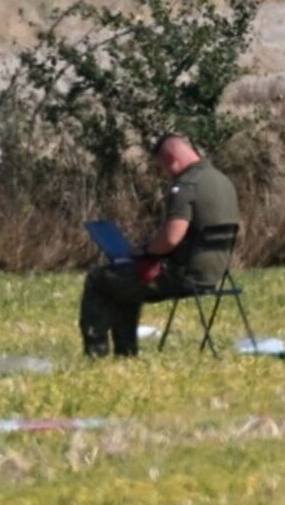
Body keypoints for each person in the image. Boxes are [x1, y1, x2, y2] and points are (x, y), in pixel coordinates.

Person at [80, 134, 241, 357]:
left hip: (183, 276)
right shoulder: (222, 181)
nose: (166, 174)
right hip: (215, 273)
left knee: (100, 279)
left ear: (171, 159)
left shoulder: (186, 186)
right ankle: (125, 353)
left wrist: (144, 251)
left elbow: (171, 239)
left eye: (163, 168)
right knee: (125, 282)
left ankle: (97, 352)